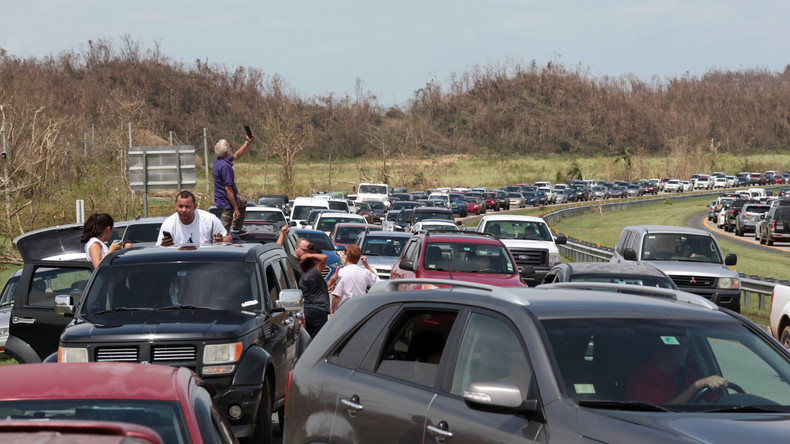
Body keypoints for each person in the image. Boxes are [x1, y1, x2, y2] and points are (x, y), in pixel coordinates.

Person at [625, 334, 728, 404]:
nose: (687, 351)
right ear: (672, 350)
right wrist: (696, 386)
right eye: (684, 346)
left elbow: (714, 400)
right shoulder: (644, 376)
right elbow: (661, 411)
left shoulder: (686, 373)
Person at [213, 132, 254, 236]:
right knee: (225, 228)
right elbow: (228, 190)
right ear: (227, 152)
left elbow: (236, 155)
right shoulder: (226, 167)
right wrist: (236, 209)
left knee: (243, 202)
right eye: (229, 147)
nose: (231, 148)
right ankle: (221, 241)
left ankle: (236, 229)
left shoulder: (218, 160)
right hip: (226, 201)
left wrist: (247, 143)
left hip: (220, 198)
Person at [157, 190, 231, 247]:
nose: (183, 210)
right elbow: (158, 251)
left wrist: (221, 241)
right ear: (176, 206)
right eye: (180, 206)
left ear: (195, 206)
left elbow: (229, 239)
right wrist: (163, 246)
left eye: (187, 207)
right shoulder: (168, 224)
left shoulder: (210, 220)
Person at [330, 244, 377, 314]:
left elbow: (336, 295)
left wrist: (332, 311)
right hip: (360, 307)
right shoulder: (365, 272)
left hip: (345, 308)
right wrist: (366, 264)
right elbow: (374, 278)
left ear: (347, 256)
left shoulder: (341, 272)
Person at [298, 243, 330, 337]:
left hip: (309, 310)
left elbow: (315, 291)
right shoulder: (311, 275)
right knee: (318, 341)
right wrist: (308, 255)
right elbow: (324, 258)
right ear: (314, 263)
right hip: (317, 312)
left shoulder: (304, 277)